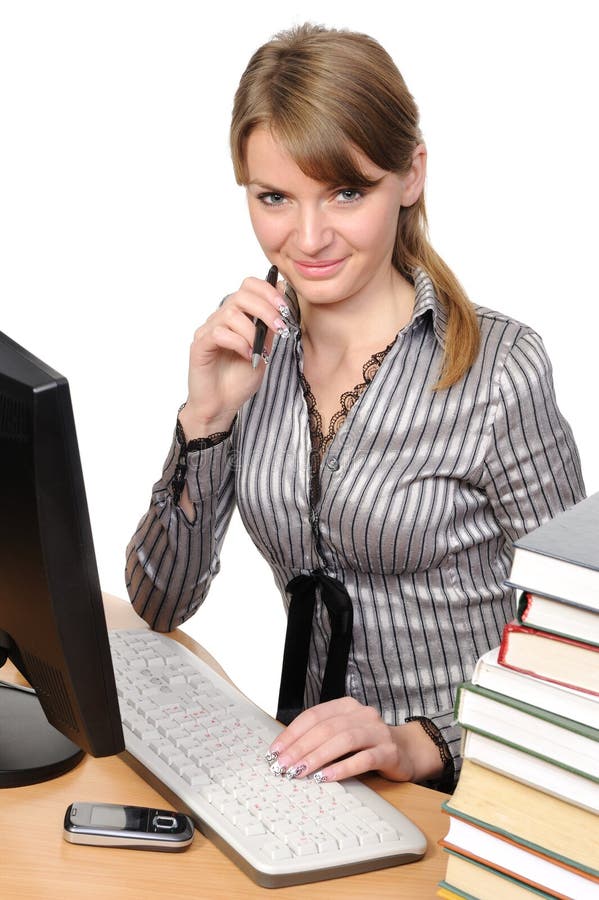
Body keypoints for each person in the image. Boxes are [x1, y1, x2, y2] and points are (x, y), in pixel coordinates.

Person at [126, 23, 584, 792]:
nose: (307, 239)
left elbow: (579, 641)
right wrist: (203, 421)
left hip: (468, 791)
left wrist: (419, 743)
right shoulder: (249, 346)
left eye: (345, 191)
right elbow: (159, 604)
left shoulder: (498, 370)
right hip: (307, 784)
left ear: (409, 175)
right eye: (274, 197)